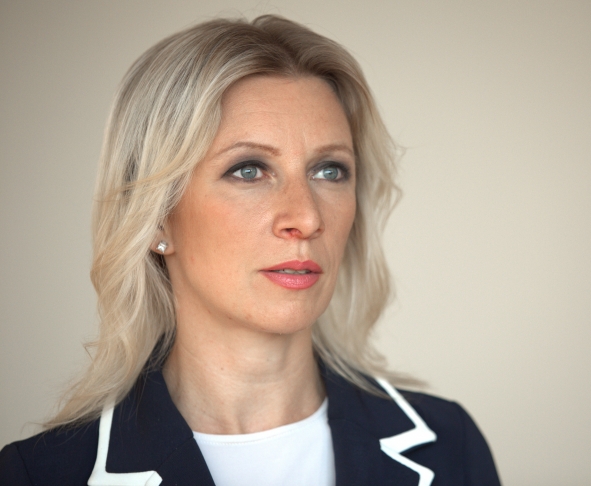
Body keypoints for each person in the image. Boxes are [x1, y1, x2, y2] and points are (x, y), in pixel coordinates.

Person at [0, 15, 500, 486]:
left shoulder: (449, 447)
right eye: (249, 170)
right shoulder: (38, 474)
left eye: (329, 170)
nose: (307, 218)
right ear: (155, 217)